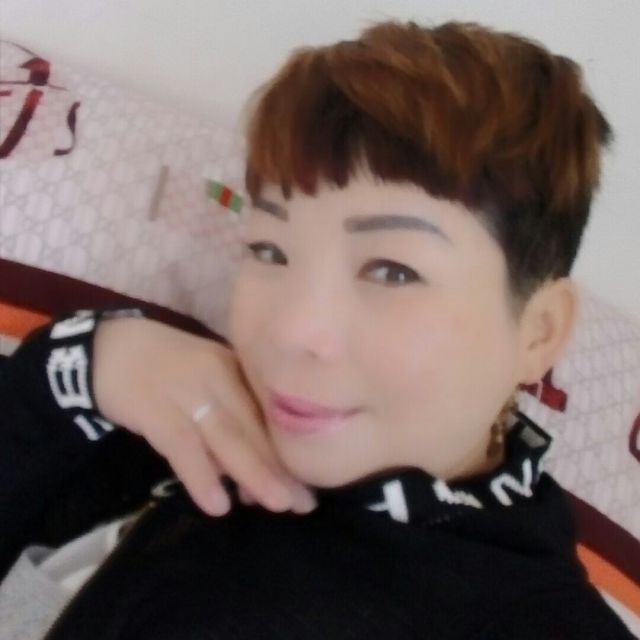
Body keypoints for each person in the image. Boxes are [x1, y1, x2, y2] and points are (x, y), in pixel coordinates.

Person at [0, 18, 636, 640]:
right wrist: (71, 374)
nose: (292, 330)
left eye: (392, 271)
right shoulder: (177, 425)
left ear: (539, 332)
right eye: (270, 251)